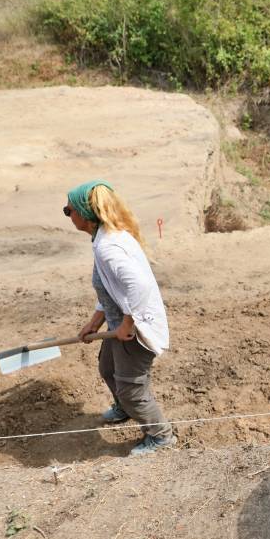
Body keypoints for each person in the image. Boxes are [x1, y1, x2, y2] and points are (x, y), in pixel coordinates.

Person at [64, 179, 176, 456]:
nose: (68, 214)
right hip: (118, 325)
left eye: (69, 210)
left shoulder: (108, 248)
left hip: (135, 331)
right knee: (106, 369)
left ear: (84, 214)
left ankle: (161, 436)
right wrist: (95, 321)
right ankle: (124, 408)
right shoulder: (105, 237)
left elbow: (138, 286)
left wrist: (127, 322)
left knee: (131, 390)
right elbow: (110, 286)